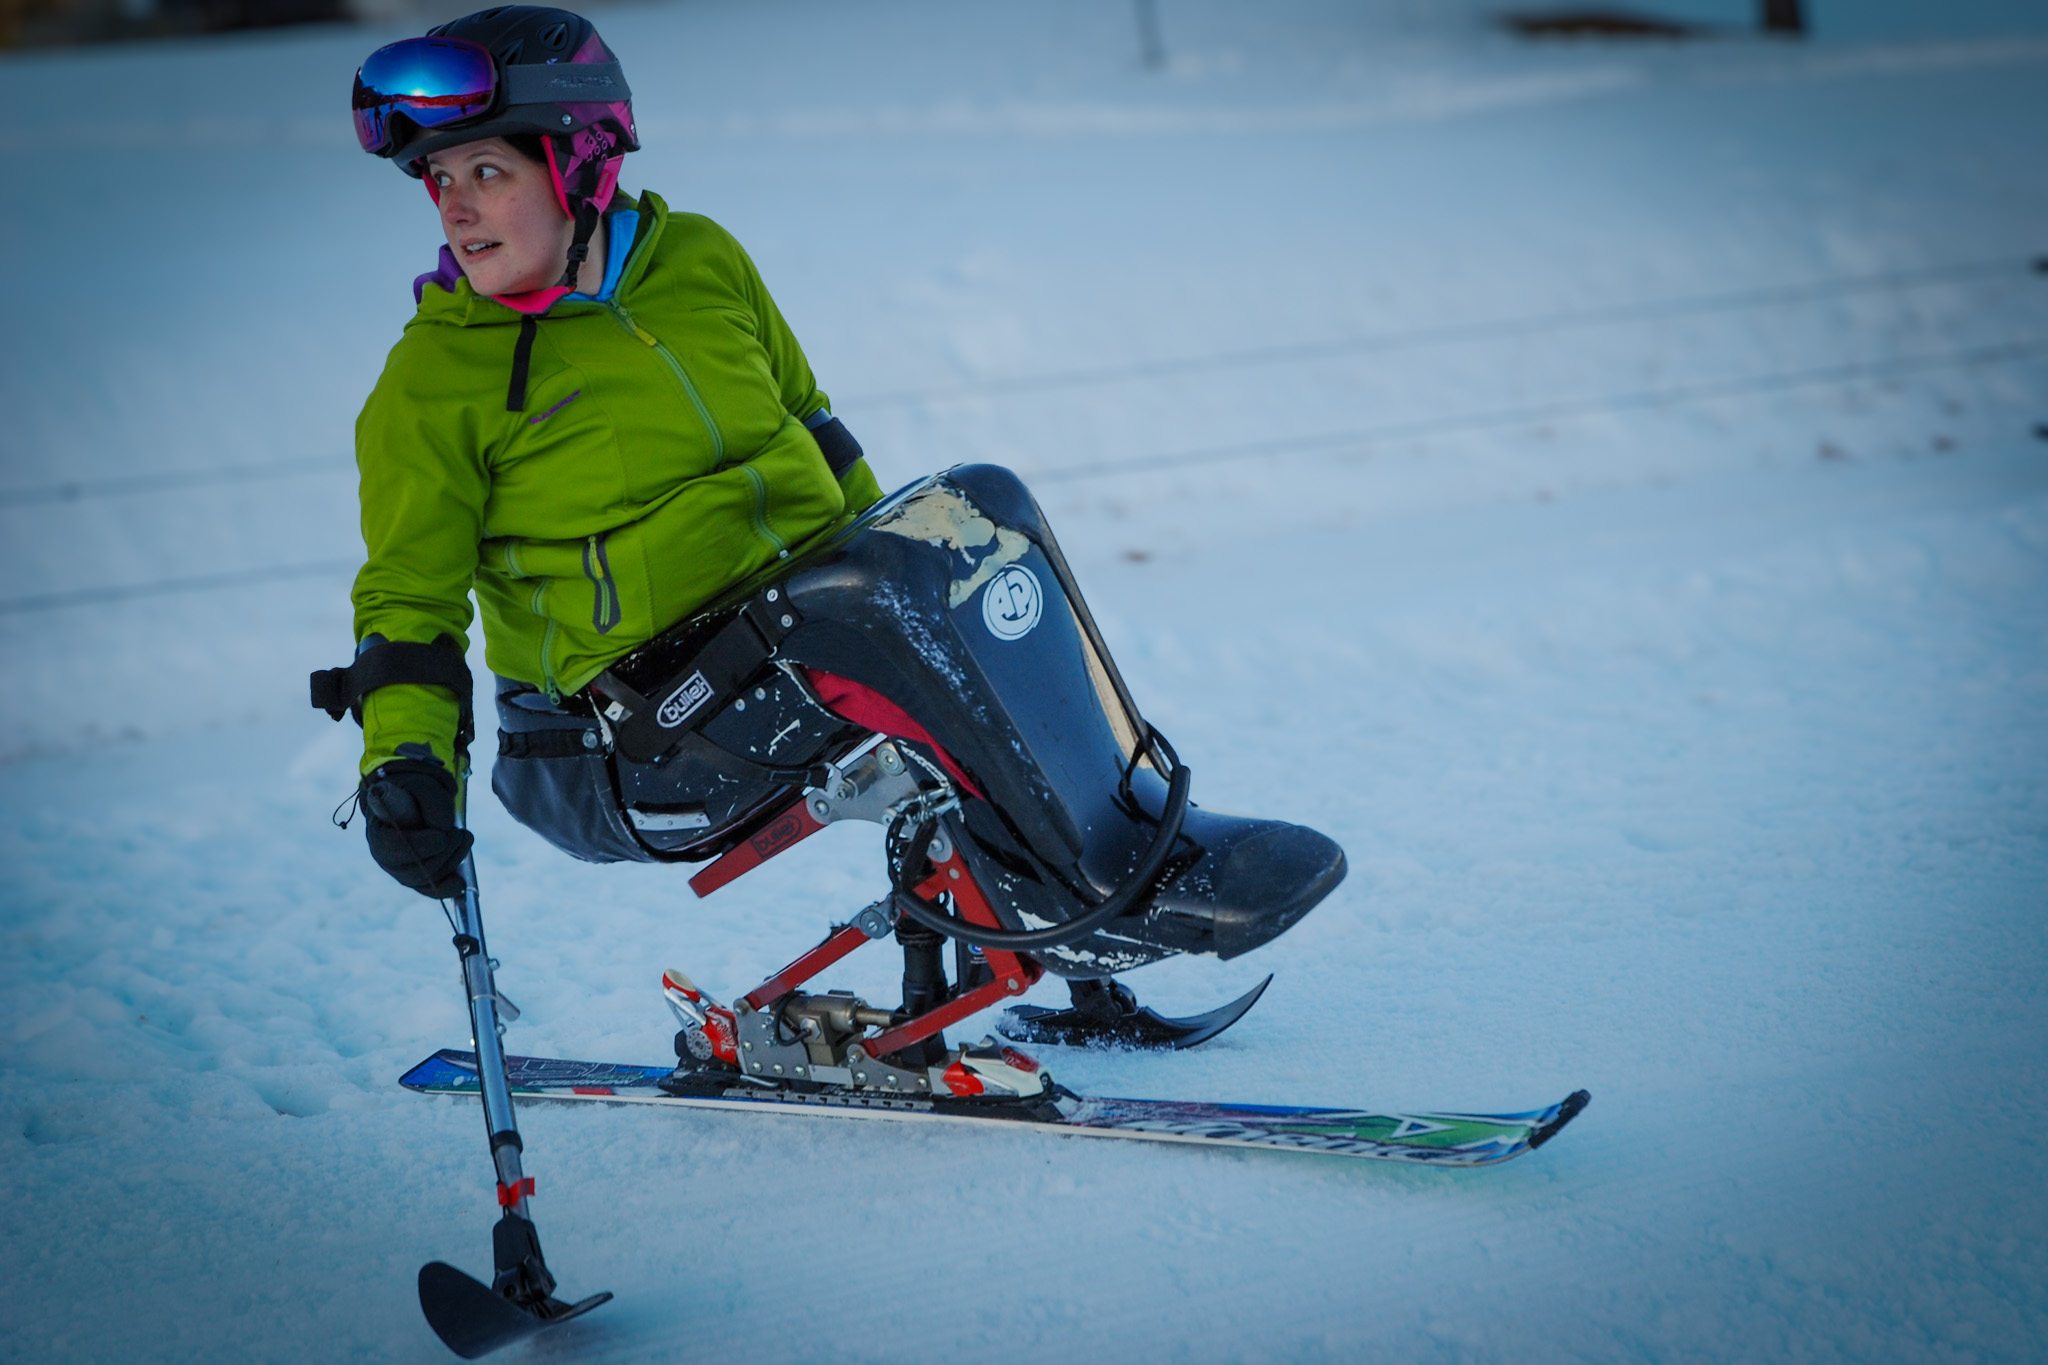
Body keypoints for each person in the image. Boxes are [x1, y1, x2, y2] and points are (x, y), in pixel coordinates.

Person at [320, 6, 1344, 1048]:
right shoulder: (430, 385)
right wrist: (404, 769)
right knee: (874, 603)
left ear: (577, 160)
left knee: (978, 507)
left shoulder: (699, 262)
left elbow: (814, 427)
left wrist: (904, 566)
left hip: (784, 638)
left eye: (484, 170)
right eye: (437, 179)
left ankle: (1124, 827)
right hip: (621, 738)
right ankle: (1086, 889)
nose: (454, 206)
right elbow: (408, 603)